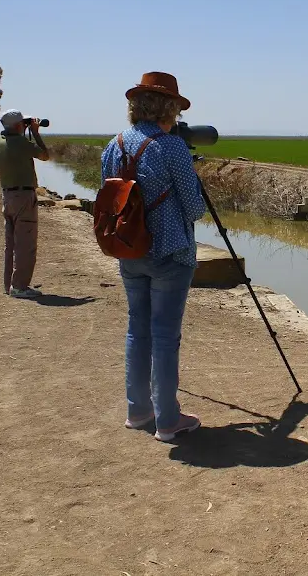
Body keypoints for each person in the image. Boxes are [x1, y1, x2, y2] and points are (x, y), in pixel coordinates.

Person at [100, 72, 207, 442]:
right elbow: (194, 209)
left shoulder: (112, 147)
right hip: (169, 252)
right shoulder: (172, 148)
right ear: (168, 107)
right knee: (165, 335)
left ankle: (139, 411)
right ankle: (168, 420)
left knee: (137, 330)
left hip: (129, 250)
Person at [0, 109, 50, 299]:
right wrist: (35, 132)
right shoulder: (21, 142)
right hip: (23, 197)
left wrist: (25, 128)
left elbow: (13, 139)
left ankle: (9, 284)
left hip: (7, 196)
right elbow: (44, 155)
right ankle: (20, 287)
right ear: (18, 126)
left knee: (11, 243)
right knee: (25, 243)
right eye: (23, 123)